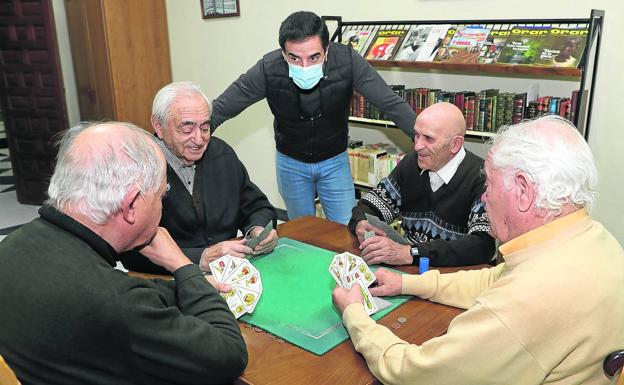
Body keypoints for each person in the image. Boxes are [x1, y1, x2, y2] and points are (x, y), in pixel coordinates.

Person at [333, 115, 624, 384]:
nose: (484, 197)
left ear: (523, 190)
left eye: (490, 184)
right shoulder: (593, 237)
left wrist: (355, 314)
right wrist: (408, 282)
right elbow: (496, 278)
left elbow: (415, 373)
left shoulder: (530, 299)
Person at [0, 122, 248, 384]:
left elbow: (126, 296)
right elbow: (229, 355)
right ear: (131, 205)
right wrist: (182, 265)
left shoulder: (15, 245)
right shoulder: (113, 302)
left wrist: (187, 288)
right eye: (161, 195)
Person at [210, 11, 416, 225]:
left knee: (346, 229)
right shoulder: (268, 68)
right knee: (303, 231)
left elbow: (389, 102)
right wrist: (192, 134)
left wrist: (425, 137)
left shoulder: (347, 60)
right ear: (283, 53)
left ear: (326, 50)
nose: (305, 67)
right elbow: (224, 106)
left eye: (314, 57)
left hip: (335, 161)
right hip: (291, 162)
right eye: (294, 58)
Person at [119, 81, 278, 275]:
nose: (199, 139)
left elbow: (256, 206)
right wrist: (199, 258)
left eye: (205, 128)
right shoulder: (136, 169)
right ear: (158, 126)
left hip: (230, 271)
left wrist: (258, 230)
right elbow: (129, 252)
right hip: (169, 281)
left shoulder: (221, 154)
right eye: (186, 129)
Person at [349, 102, 495, 267]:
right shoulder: (411, 164)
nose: (417, 146)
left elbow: (482, 245)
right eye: (416, 135)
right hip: (410, 268)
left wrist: (412, 253)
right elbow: (370, 205)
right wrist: (361, 223)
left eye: (428, 139)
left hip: (454, 275)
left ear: (455, 144)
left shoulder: (482, 178)